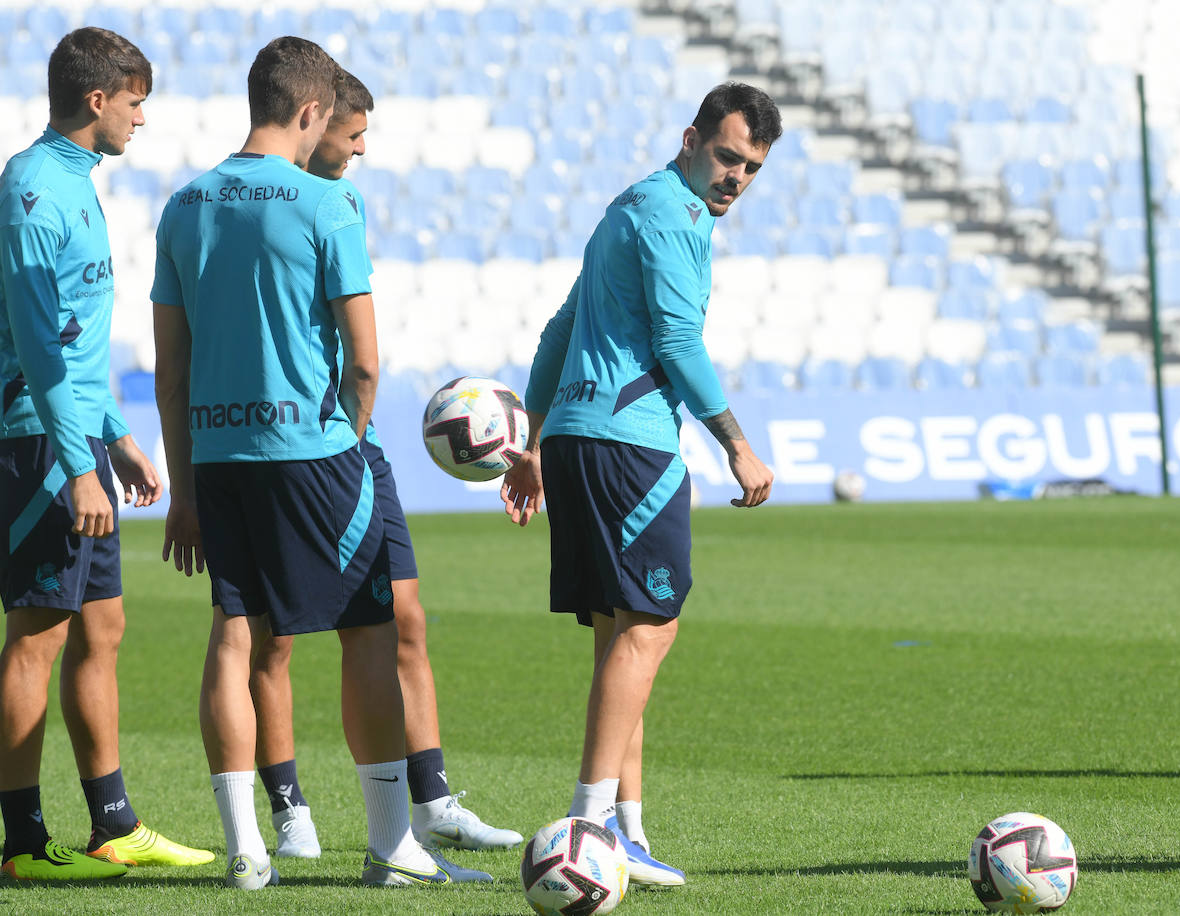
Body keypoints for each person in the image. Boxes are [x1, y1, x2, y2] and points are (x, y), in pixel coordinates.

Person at [150, 37, 486, 890]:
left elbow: (171, 368)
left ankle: (245, 851)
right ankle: (390, 849)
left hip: (218, 454)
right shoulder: (327, 204)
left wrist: (183, 488)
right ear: (311, 113)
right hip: (313, 450)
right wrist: (351, 437)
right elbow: (365, 361)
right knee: (368, 630)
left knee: (233, 634)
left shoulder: (184, 205)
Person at [501, 82, 781, 888]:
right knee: (652, 628)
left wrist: (535, 438)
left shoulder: (633, 205)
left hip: (583, 441)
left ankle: (626, 831)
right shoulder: (672, 216)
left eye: (751, 168)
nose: (735, 178)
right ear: (691, 138)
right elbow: (676, 340)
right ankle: (587, 829)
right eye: (727, 156)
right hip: (631, 446)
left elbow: (562, 328)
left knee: (622, 636)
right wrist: (736, 443)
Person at [245, 69, 521, 860]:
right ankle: (288, 806)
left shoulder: (345, 203)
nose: (362, 150)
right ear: (315, 118)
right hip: (283, 446)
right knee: (273, 639)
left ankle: (431, 803)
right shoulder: (255, 204)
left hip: (350, 438)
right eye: (353, 134)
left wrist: (352, 431)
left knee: (403, 618)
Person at [0, 26, 214, 881]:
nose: (141, 121)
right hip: (37, 445)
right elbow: (40, 347)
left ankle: (113, 825)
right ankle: (21, 844)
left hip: (80, 439)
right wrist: (77, 461)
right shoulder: (34, 191)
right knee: (36, 638)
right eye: (135, 103)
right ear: (98, 100)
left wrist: (117, 437)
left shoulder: (76, 181)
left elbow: (81, 339)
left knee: (104, 626)